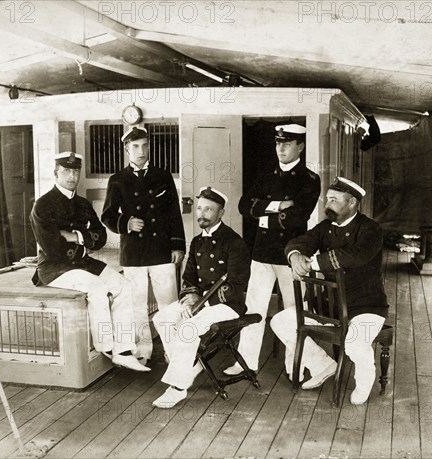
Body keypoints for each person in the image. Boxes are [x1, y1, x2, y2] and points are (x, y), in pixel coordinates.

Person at [271, 177, 389, 405]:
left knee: (354, 344)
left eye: (334, 200)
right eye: (328, 199)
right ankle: (323, 365)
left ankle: (364, 381)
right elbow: (300, 242)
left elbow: (354, 256)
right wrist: (295, 256)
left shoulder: (370, 230)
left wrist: (312, 263)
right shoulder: (326, 228)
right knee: (281, 322)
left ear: (352, 202)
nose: (327, 204)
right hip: (330, 307)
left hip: (365, 306)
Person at [30, 151, 150, 372]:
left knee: (124, 285)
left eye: (75, 171)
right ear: (56, 173)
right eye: (66, 171)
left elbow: (101, 238)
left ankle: (124, 350)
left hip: (83, 263)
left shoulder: (83, 204)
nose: (72, 176)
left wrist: (75, 236)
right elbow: (53, 248)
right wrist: (84, 239)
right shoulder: (43, 205)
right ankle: (106, 346)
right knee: (97, 287)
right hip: (55, 268)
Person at [224, 123, 320, 376]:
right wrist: (278, 205)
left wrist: (263, 212)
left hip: (291, 255)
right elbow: (244, 206)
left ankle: (295, 366)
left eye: (287, 143)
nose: (281, 148)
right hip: (262, 252)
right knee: (254, 307)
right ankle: (245, 362)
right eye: (278, 143)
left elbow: (299, 217)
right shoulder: (266, 174)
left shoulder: (309, 179)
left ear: (300, 146)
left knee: (293, 311)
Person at [151, 187, 251, 408]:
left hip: (227, 304)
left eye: (209, 209)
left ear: (221, 213)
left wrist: (200, 305)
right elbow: (189, 277)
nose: (202, 214)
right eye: (199, 208)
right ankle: (191, 364)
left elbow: (236, 285)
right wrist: (189, 298)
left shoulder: (234, 242)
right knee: (162, 319)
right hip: (198, 300)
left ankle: (178, 387)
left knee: (188, 327)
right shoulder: (196, 241)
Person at [102, 126, 186, 363]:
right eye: (136, 146)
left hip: (161, 251)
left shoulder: (163, 176)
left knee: (169, 303)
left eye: (145, 145)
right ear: (127, 149)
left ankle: (173, 350)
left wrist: (178, 245)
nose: (141, 151)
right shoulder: (117, 180)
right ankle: (143, 350)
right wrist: (126, 223)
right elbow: (107, 215)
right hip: (134, 253)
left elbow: (174, 214)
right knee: (137, 305)